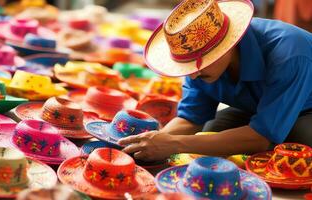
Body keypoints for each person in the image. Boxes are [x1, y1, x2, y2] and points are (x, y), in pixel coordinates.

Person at [118, 0, 312, 161]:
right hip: (258, 107)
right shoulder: (198, 58)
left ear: (227, 46)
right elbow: (191, 118)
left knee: (296, 152)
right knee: (209, 133)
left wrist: (174, 143)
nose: (193, 75)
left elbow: (260, 136)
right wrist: (154, 142)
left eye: (197, 65)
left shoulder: (289, 54)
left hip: (306, 110)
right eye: (187, 66)